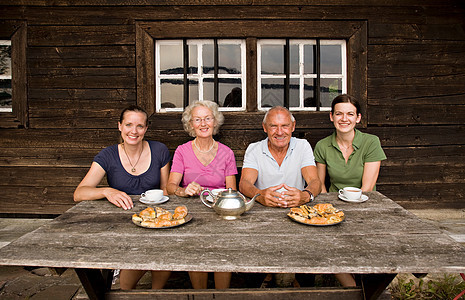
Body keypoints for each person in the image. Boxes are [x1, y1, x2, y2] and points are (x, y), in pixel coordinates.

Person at [73, 105, 172, 290]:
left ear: (146, 128)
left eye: (140, 126)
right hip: (122, 222)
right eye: (128, 125)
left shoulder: (159, 150)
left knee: (162, 248)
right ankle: (122, 286)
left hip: (153, 220)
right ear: (119, 126)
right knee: (126, 283)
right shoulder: (108, 155)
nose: (134, 131)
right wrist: (106, 191)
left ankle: (156, 293)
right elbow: (79, 193)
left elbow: (165, 191)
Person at [313, 94, 387, 287]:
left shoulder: (371, 142)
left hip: (364, 205)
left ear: (358, 118)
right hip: (333, 206)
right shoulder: (322, 146)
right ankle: (353, 289)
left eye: (350, 114)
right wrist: (329, 210)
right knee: (324, 245)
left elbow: (367, 188)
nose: (344, 119)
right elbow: (320, 184)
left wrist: (350, 212)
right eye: (339, 114)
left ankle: (368, 286)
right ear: (331, 117)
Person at [167, 100, 237, 289]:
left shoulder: (227, 153)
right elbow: (170, 186)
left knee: (223, 250)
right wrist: (183, 190)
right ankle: (201, 294)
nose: (203, 124)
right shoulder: (182, 151)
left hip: (219, 212)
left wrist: (221, 198)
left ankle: (221, 294)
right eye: (197, 119)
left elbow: (232, 191)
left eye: (207, 118)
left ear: (215, 122)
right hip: (191, 213)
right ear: (191, 125)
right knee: (194, 249)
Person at [239, 106, 321, 208]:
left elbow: (315, 181)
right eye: (273, 126)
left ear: (293, 126)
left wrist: (305, 195)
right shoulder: (254, 149)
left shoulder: (302, 146)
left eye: (285, 126)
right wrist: (259, 195)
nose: (280, 132)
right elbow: (244, 183)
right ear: (265, 127)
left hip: (296, 209)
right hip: (263, 210)